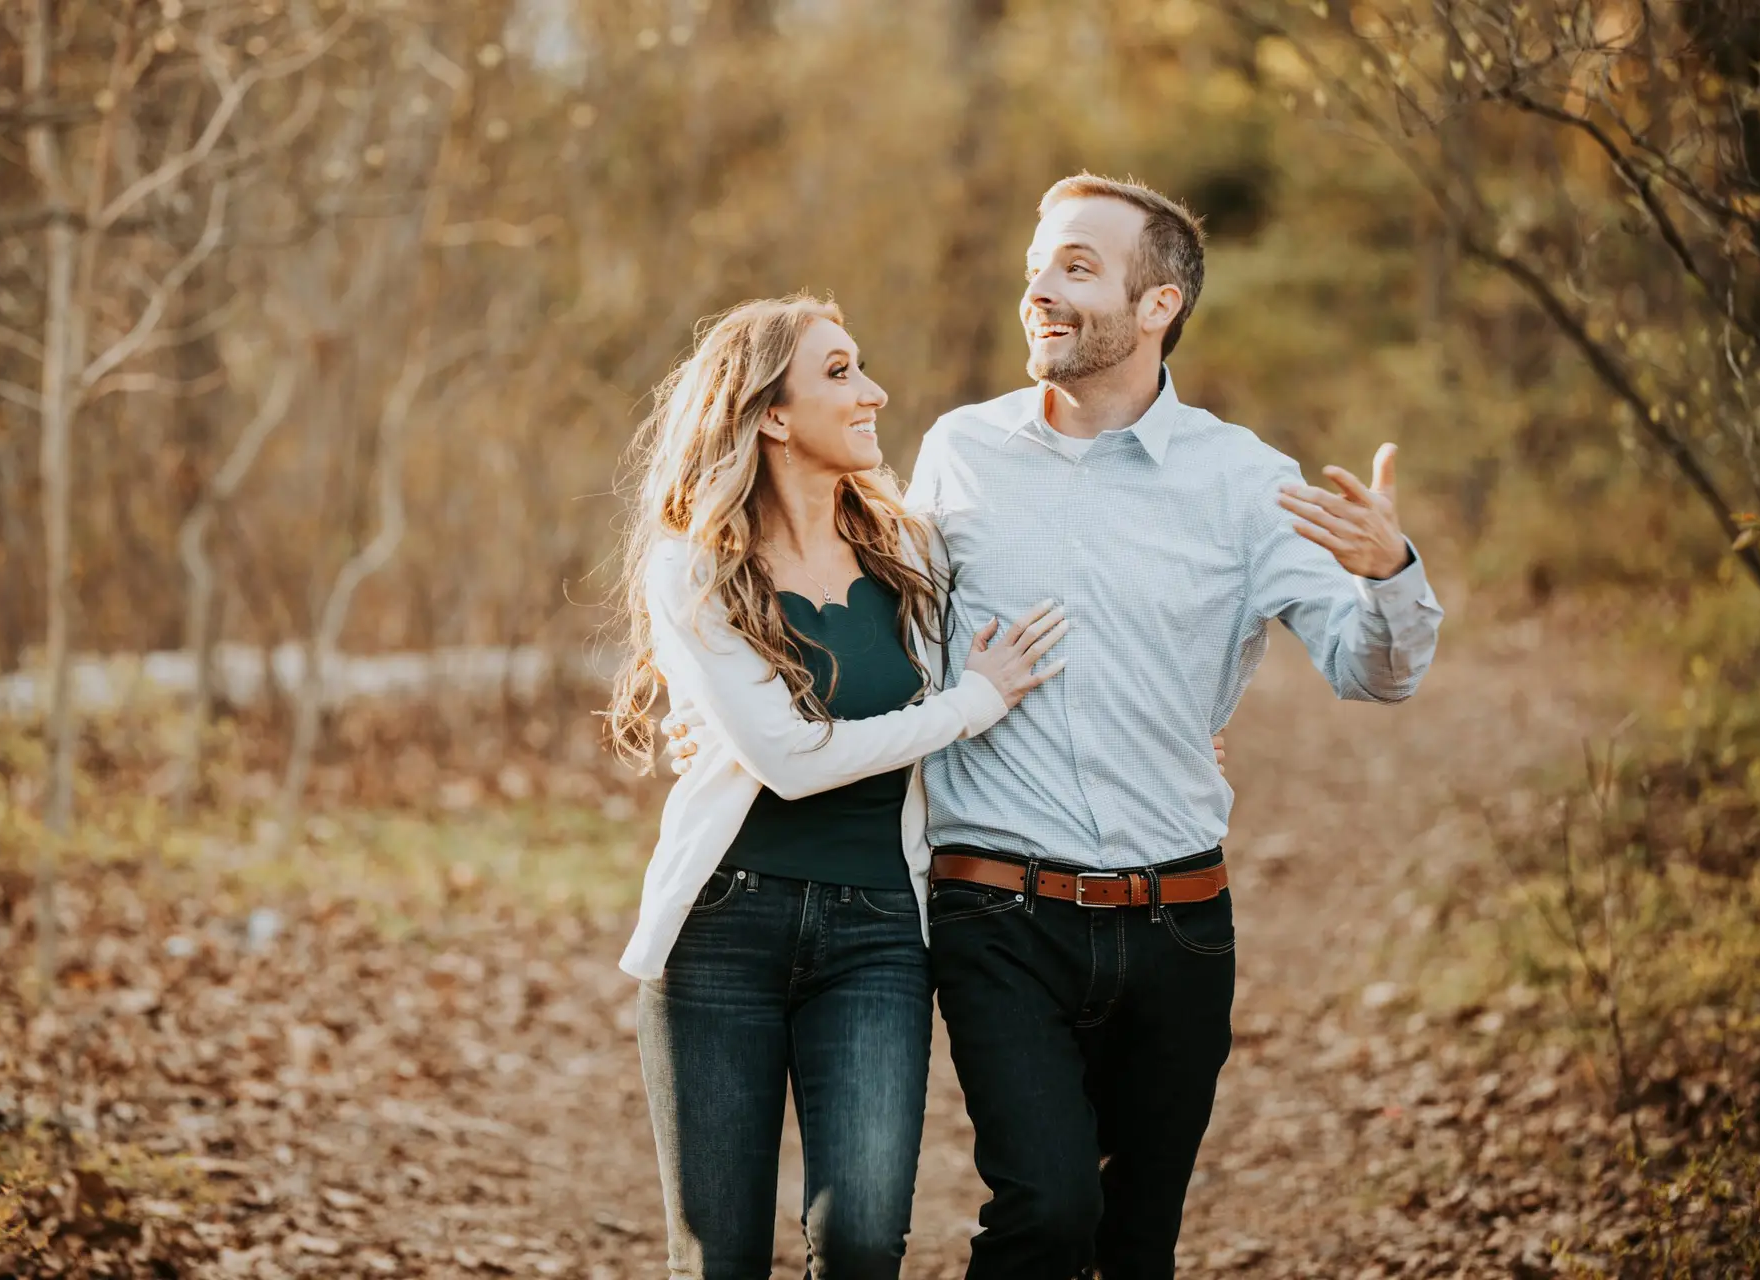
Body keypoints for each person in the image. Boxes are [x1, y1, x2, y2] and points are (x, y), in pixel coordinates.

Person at [671, 173, 1444, 1278]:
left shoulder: (1243, 481)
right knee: (1043, 1214)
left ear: (1158, 304)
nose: (1038, 287)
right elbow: (890, 635)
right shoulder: (959, 452)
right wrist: (725, 699)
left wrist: (1392, 575)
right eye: (1037, 263)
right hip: (998, 911)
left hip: (1180, 923)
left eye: (1076, 265)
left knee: (1137, 1241)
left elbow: (1375, 670)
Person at [602, 295, 1070, 1280]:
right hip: (723, 924)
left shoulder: (912, 554)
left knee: (862, 1240)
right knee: (721, 1256)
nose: (875, 392)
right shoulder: (693, 566)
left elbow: (1054, 596)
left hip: (878, 931)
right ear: (771, 413)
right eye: (842, 371)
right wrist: (969, 704)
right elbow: (791, 759)